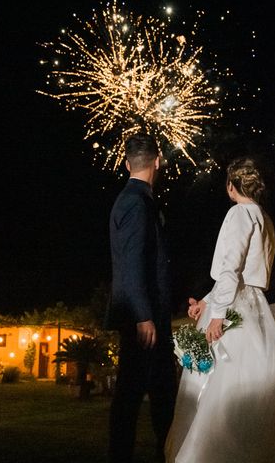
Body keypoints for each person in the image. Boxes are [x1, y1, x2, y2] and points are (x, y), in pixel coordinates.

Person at [165, 157, 275, 463]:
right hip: (256, 306)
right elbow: (244, 272)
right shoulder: (265, 219)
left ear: (231, 187)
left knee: (224, 383)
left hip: (235, 308)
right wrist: (208, 300)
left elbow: (231, 268)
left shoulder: (239, 214)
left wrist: (217, 314)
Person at [105, 133, 177, 463]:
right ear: (158, 161)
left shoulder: (133, 198)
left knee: (141, 394)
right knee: (149, 395)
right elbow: (132, 262)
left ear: (125, 163)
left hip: (141, 312)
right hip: (144, 317)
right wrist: (144, 315)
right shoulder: (137, 202)